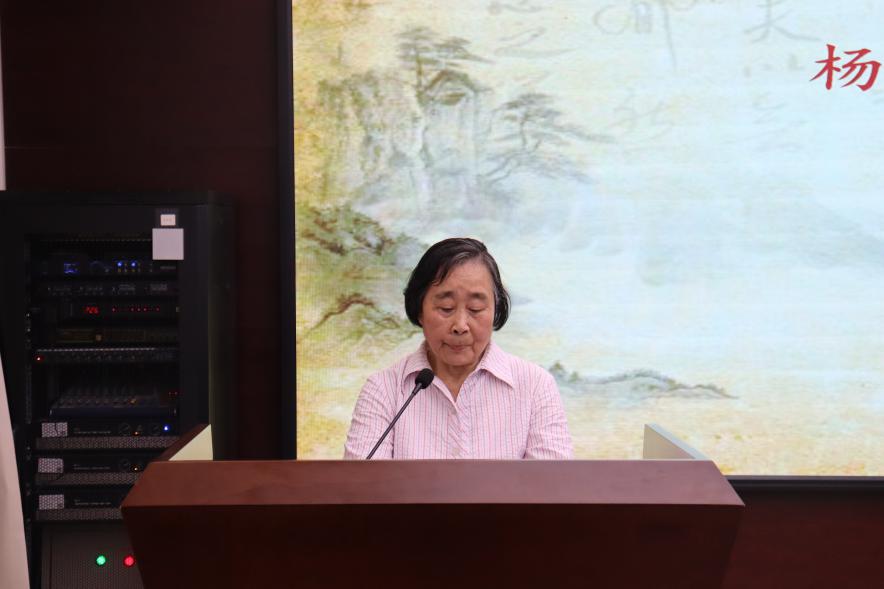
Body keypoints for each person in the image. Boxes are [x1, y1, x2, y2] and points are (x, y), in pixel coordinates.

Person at [344, 238, 573, 459]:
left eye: (475, 308)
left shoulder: (535, 387)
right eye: (446, 308)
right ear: (419, 310)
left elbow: (551, 483)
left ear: (496, 310)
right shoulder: (383, 390)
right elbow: (361, 483)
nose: (460, 326)